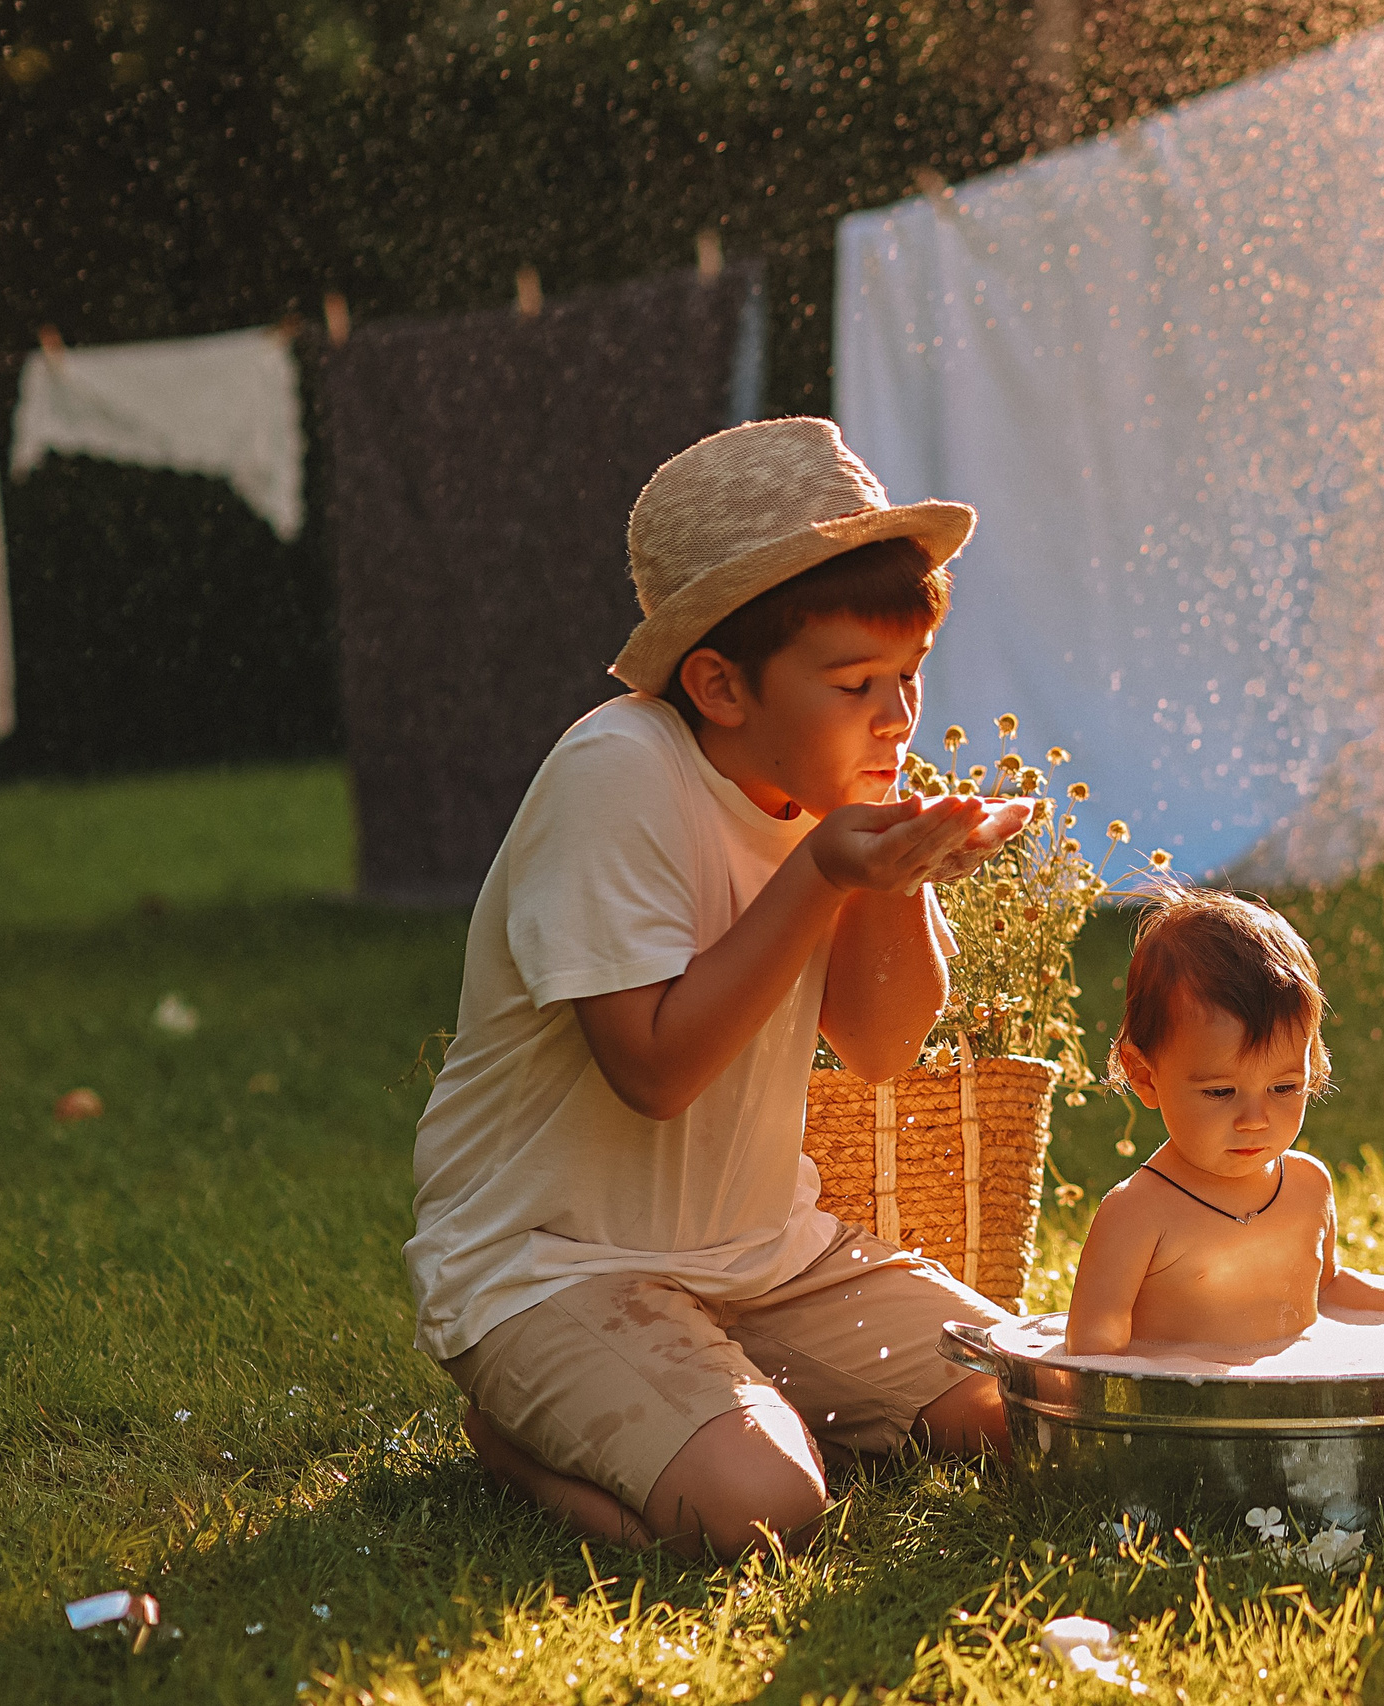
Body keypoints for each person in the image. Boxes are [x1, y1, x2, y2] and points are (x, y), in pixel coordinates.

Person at [405, 417, 1037, 1558]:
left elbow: (882, 1045)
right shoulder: (617, 774)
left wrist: (892, 874)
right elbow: (653, 1072)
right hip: (552, 1266)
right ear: (720, 685)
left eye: (908, 676)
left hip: (766, 1254)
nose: (897, 718)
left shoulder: (828, 782)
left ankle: (718, 1398)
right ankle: (516, 1439)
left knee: (1040, 1413)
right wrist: (821, 873)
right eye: (855, 683)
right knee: (761, 1508)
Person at [1062, 889, 1384, 1354]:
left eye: (1283, 1088)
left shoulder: (1307, 1184)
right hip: (1183, 1401)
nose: (1254, 1120)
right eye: (1220, 1092)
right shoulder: (1136, 1215)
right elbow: (1092, 1358)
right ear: (1144, 1075)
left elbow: (1329, 1291)